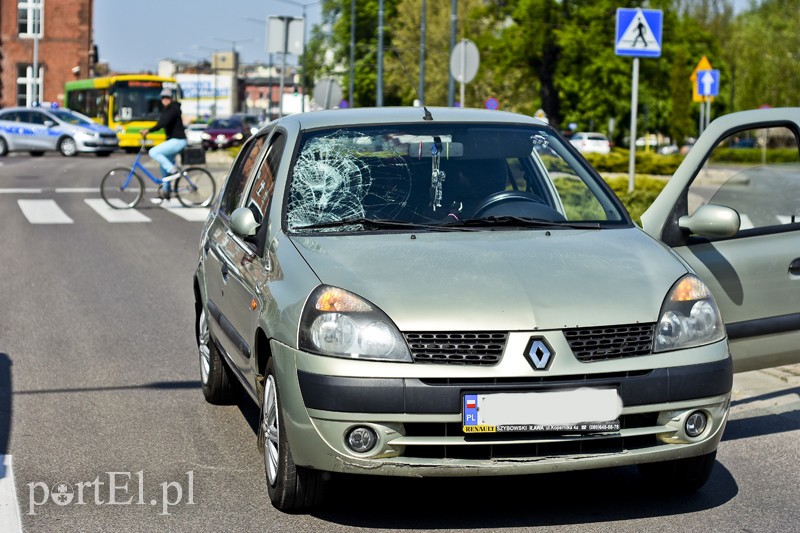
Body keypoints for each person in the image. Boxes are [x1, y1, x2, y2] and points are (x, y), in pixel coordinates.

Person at [140, 88, 187, 196]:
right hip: (174, 140)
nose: (165, 99)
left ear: (171, 98)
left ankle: (173, 170)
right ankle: (166, 190)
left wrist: (148, 130)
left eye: (167, 97)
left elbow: (162, 123)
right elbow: (162, 122)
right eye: (163, 97)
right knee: (163, 165)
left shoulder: (173, 109)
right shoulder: (167, 109)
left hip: (178, 140)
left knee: (153, 152)